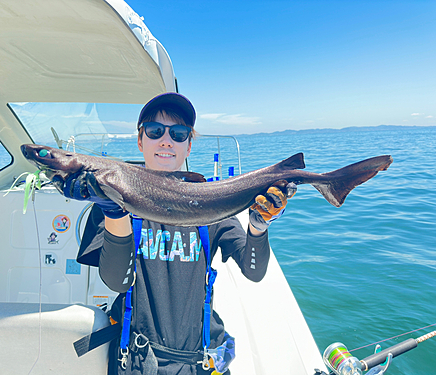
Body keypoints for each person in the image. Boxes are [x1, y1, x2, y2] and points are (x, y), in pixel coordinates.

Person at [63, 93, 295, 375]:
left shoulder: (211, 204)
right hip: (136, 359)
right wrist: (114, 212)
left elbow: (254, 270)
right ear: (140, 140)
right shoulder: (112, 202)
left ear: (188, 146)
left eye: (178, 133)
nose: (166, 140)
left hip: (198, 360)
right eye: (155, 131)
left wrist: (258, 226)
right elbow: (117, 281)